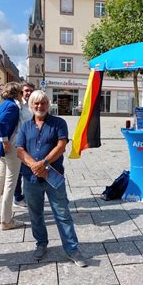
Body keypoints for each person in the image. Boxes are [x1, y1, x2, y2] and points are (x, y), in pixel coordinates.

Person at [16, 90, 88, 267]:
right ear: (31, 106)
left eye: (43, 103)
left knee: (62, 214)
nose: (39, 106)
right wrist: (34, 165)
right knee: (36, 214)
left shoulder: (58, 123)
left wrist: (44, 163)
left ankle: (72, 249)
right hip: (31, 178)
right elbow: (19, 150)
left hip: (53, 176)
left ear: (48, 104)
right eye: (36, 103)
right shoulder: (25, 126)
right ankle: (41, 243)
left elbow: (61, 146)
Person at [0, 82, 24, 230]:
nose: (22, 96)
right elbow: (1, 123)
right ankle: (6, 220)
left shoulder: (1, 105)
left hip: (0, 151)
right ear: (17, 93)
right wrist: (4, 141)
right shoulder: (13, 107)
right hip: (11, 149)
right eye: (21, 93)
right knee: (10, 183)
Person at [13, 82, 35, 207]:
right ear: (21, 92)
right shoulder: (18, 105)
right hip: (18, 143)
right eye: (26, 90)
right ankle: (18, 197)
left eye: (31, 90)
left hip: (31, 144)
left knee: (29, 171)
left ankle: (28, 196)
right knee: (18, 173)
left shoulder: (33, 106)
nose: (28, 93)